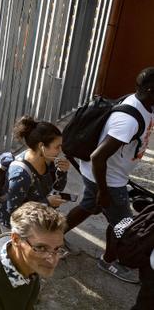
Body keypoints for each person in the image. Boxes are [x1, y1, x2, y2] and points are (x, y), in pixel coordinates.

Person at [65, 67, 154, 283]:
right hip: (108, 180)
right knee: (122, 223)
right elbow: (98, 157)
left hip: (107, 175)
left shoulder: (144, 104)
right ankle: (108, 260)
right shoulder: (128, 120)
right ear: (150, 89)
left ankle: (54, 235)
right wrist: (104, 192)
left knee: (88, 206)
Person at [0, 202, 67, 310]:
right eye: (41, 248)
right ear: (16, 239)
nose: (52, 259)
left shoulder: (14, 247)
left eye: (57, 249)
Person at [0, 117, 70, 230]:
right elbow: (14, 211)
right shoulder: (20, 174)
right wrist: (46, 203)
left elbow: (56, 189)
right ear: (41, 146)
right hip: (17, 227)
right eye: (57, 147)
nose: (60, 150)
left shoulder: (48, 160)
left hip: (36, 219)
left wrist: (62, 173)